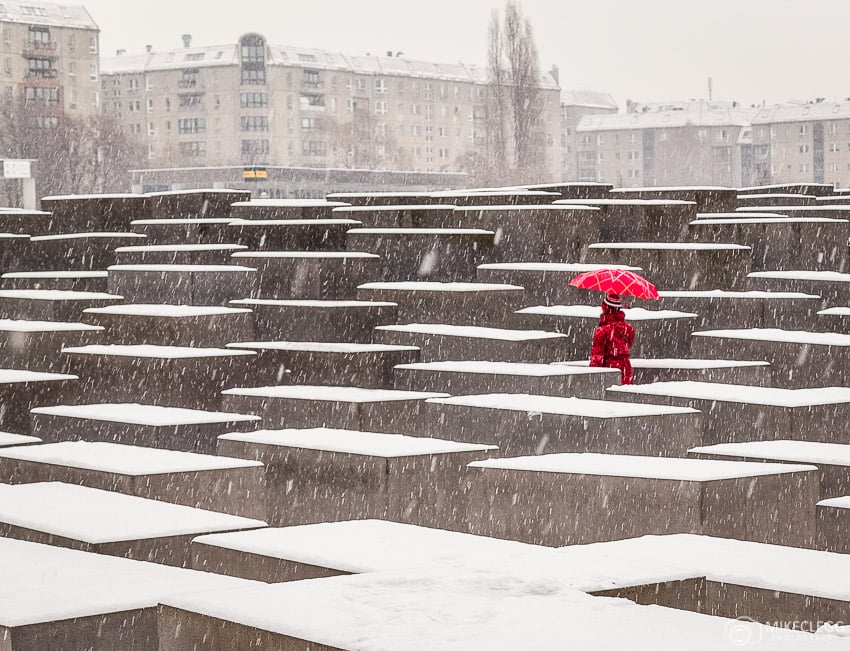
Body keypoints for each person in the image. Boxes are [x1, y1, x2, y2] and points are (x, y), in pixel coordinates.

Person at [589, 293, 635, 385]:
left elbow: (597, 357)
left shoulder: (602, 331)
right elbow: (627, 345)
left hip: (609, 369)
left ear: (606, 308)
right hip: (625, 368)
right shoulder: (628, 329)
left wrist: (591, 376)